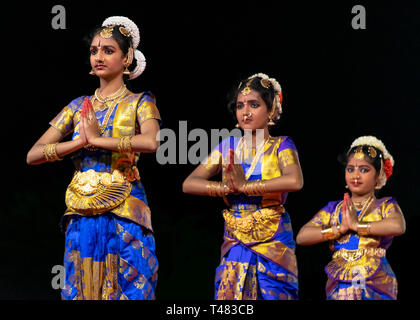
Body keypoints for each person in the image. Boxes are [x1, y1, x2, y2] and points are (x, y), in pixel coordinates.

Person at [26, 16, 161, 300]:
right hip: (80, 210)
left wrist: (97, 140)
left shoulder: (140, 102)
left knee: (128, 286)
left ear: (127, 59)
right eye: (94, 50)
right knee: (81, 287)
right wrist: (77, 144)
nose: (99, 56)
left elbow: (151, 141)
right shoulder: (77, 106)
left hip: (124, 208)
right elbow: (34, 154)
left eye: (108, 50)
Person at [182, 73, 303, 300]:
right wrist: (226, 188)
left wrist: (246, 185)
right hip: (236, 238)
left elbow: (294, 180)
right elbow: (189, 183)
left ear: (271, 110)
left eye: (254, 105)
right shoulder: (228, 146)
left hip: (273, 239)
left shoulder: (281, 145)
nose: (245, 112)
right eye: (240, 105)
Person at [296, 136, 405, 300]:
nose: (355, 175)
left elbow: (398, 226)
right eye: (350, 169)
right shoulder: (334, 208)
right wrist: (339, 229)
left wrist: (357, 225)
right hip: (340, 282)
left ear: (378, 176)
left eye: (364, 170)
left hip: (373, 281)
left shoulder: (385, 205)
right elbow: (302, 236)